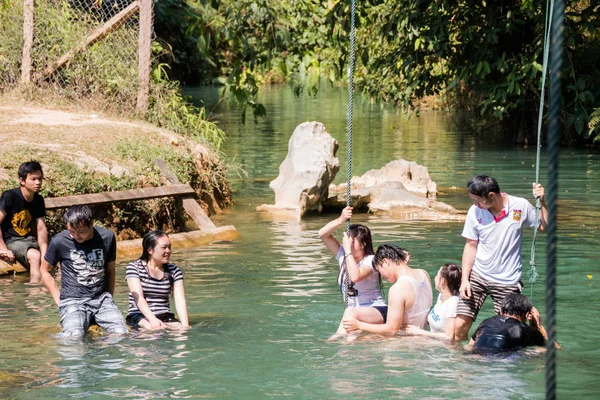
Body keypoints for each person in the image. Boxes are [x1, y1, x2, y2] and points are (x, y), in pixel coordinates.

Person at [455, 175, 547, 340]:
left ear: (491, 195)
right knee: (460, 324)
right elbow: (470, 246)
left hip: (508, 280)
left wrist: (543, 202)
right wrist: (464, 280)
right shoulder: (474, 212)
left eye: (478, 200)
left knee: (511, 332)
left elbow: (542, 227)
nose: (475, 204)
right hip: (478, 275)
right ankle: (460, 361)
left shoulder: (520, 205)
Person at [40, 205, 128, 337]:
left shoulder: (107, 237)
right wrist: (60, 301)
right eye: (71, 231)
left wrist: (109, 297)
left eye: (81, 231)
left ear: (91, 224)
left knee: (121, 333)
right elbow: (44, 270)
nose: (76, 236)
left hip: (101, 299)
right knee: (74, 336)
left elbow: (110, 270)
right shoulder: (59, 241)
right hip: (72, 300)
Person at [318, 206, 386, 337]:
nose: (348, 244)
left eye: (352, 241)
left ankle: (335, 339)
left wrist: (347, 250)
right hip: (353, 314)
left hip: (375, 310)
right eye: (347, 240)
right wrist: (340, 220)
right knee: (350, 339)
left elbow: (355, 276)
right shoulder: (343, 256)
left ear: (363, 244)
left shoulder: (371, 260)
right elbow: (322, 234)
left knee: (346, 331)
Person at [342, 244, 432, 336]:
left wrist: (359, 325)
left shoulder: (397, 289)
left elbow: (392, 329)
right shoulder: (423, 274)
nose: (382, 276)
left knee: (355, 342)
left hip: (405, 341)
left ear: (385, 262)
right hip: (422, 334)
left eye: (379, 270)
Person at [125, 230, 189, 330]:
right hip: (139, 316)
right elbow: (139, 298)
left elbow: (180, 299)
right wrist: (152, 319)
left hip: (165, 316)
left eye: (169, 247)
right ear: (150, 250)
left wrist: (185, 326)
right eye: (164, 247)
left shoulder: (174, 271)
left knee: (180, 330)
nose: (168, 251)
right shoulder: (134, 267)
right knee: (151, 328)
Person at [0, 161, 49, 282]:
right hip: (11, 240)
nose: (37, 182)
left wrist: (45, 253)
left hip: (28, 239)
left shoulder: (38, 199)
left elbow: (41, 229)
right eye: (33, 179)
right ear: (22, 180)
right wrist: (3, 248)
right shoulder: (9, 196)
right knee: (35, 256)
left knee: (55, 253)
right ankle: (34, 291)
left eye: (40, 179)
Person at [469, 293, 547, 353]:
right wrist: (538, 325)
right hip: (501, 360)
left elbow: (469, 345)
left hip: (474, 355)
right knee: (540, 351)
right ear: (527, 314)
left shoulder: (485, 322)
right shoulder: (524, 328)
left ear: (500, 310)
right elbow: (550, 346)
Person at [406, 263, 462, 340]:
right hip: (432, 343)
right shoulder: (441, 297)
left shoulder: (452, 303)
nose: (435, 278)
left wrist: (419, 332)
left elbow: (449, 337)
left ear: (442, 281)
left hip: (443, 348)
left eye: (437, 276)